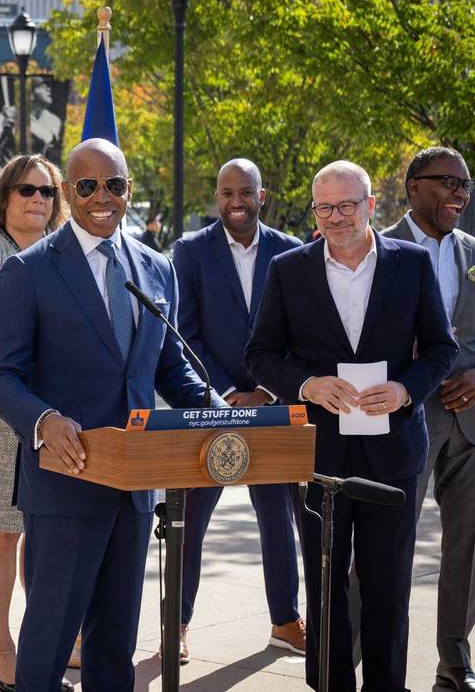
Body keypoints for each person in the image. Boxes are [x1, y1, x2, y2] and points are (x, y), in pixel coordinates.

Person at [0, 138, 226, 691]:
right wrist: (44, 420)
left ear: (128, 189)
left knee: (115, 644)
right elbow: (0, 375)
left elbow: (170, 369)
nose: (102, 197)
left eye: (113, 185)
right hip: (65, 483)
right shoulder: (28, 271)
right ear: (68, 191)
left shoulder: (157, 268)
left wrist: (220, 412)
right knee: (48, 641)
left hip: (134, 489)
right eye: (88, 186)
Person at [246, 160, 457, 691]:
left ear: (370, 205)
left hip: (394, 452)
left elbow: (441, 348)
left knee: (389, 588)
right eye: (324, 208)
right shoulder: (288, 270)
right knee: (324, 586)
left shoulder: (411, 264)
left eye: (346, 205)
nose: (335, 217)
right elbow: (261, 355)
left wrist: (405, 390)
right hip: (321, 457)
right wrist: (308, 385)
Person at [379, 146, 475, 692]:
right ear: (414, 186)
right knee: (385, 546)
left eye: (466, 185)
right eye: (449, 183)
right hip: (404, 422)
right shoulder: (378, 248)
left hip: (474, 423)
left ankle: (454, 664)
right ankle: (355, 657)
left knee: (467, 546)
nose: (460, 193)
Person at [170, 159, 305, 662]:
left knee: (278, 518)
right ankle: (176, 625)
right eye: (227, 193)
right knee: (188, 523)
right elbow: (184, 332)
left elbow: (300, 333)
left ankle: (286, 622)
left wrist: (266, 392)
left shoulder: (291, 251)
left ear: (261, 196)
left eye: (245, 192)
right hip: (210, 407)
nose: (236, 202)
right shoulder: (189, 251)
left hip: (271, 407)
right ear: (217, 197)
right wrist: (225, 394)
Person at [0, 154, 69, 692]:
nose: (38, 199)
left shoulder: (64, 252)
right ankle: (3, 646)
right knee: (5, 532)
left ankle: (51, 643)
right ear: (4, 198)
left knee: (51, 535)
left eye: (47, 192)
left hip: (64, 416)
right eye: (27, 190)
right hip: (2, 414)